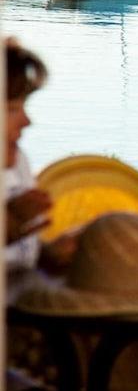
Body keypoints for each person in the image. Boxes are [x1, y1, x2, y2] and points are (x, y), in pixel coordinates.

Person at [5, 39, 76, 273]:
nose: (27, 121)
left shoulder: (17, 164)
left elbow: (17, 260)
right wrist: (8, 226)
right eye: (11, 109)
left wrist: (47, 256)